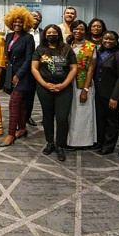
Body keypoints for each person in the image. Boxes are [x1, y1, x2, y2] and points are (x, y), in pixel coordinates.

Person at [31, 24, 77, 161]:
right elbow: (34, 68)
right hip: (44, 87)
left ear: (58, 34)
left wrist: (63, 85)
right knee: (48, 116)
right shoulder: (40, 49)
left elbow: (74, 69)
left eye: (54, 32)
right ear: (45, 35)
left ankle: (60, 145)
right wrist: (44, 84)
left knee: (62, 118)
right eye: (49, 33)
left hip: (64, 88)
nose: (51, 35)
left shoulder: (67, 49)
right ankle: (50, 142)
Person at [0, 7, 35, 147]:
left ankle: (10, 134)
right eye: (15, 22)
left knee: (13, 104)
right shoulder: (8, 36)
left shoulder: (28, 38)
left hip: (24, 77)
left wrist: (18, 75)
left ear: (25, 23)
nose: (17, 24)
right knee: (19, 104)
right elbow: (8, 58)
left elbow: (29, 58)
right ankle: (22, 128)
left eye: (20, 22)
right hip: (11, 76)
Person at [93, 31, 119, 154]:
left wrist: (115, 96)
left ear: (116, 41)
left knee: (111, 121)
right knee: (100, 119)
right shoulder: (99, 52)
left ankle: (109, 145)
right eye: (106, 38)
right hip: (98, 92)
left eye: (111, 39)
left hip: (112, 94)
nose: (108, 41)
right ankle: (100, 142)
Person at [66, 20, 97, 148]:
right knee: (69, 113)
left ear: (86, 31)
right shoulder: (68, 45)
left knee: (82, 113)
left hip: (83, 82)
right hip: (68, 82)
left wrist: (85, 90)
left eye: (81, 29)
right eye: (75, 29)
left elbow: (91, 70)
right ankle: (69, 140)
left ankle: (83, 142)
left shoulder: (91, 46)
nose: (78, 31)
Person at [25, 10, 42, 127]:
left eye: (38, 16)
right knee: (27, 93)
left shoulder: (43, 32)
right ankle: (25, 117)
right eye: (33, 16)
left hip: (41, 67)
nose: (35, 17)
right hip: (26, 67)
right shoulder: (24, 32)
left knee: (40, 93)